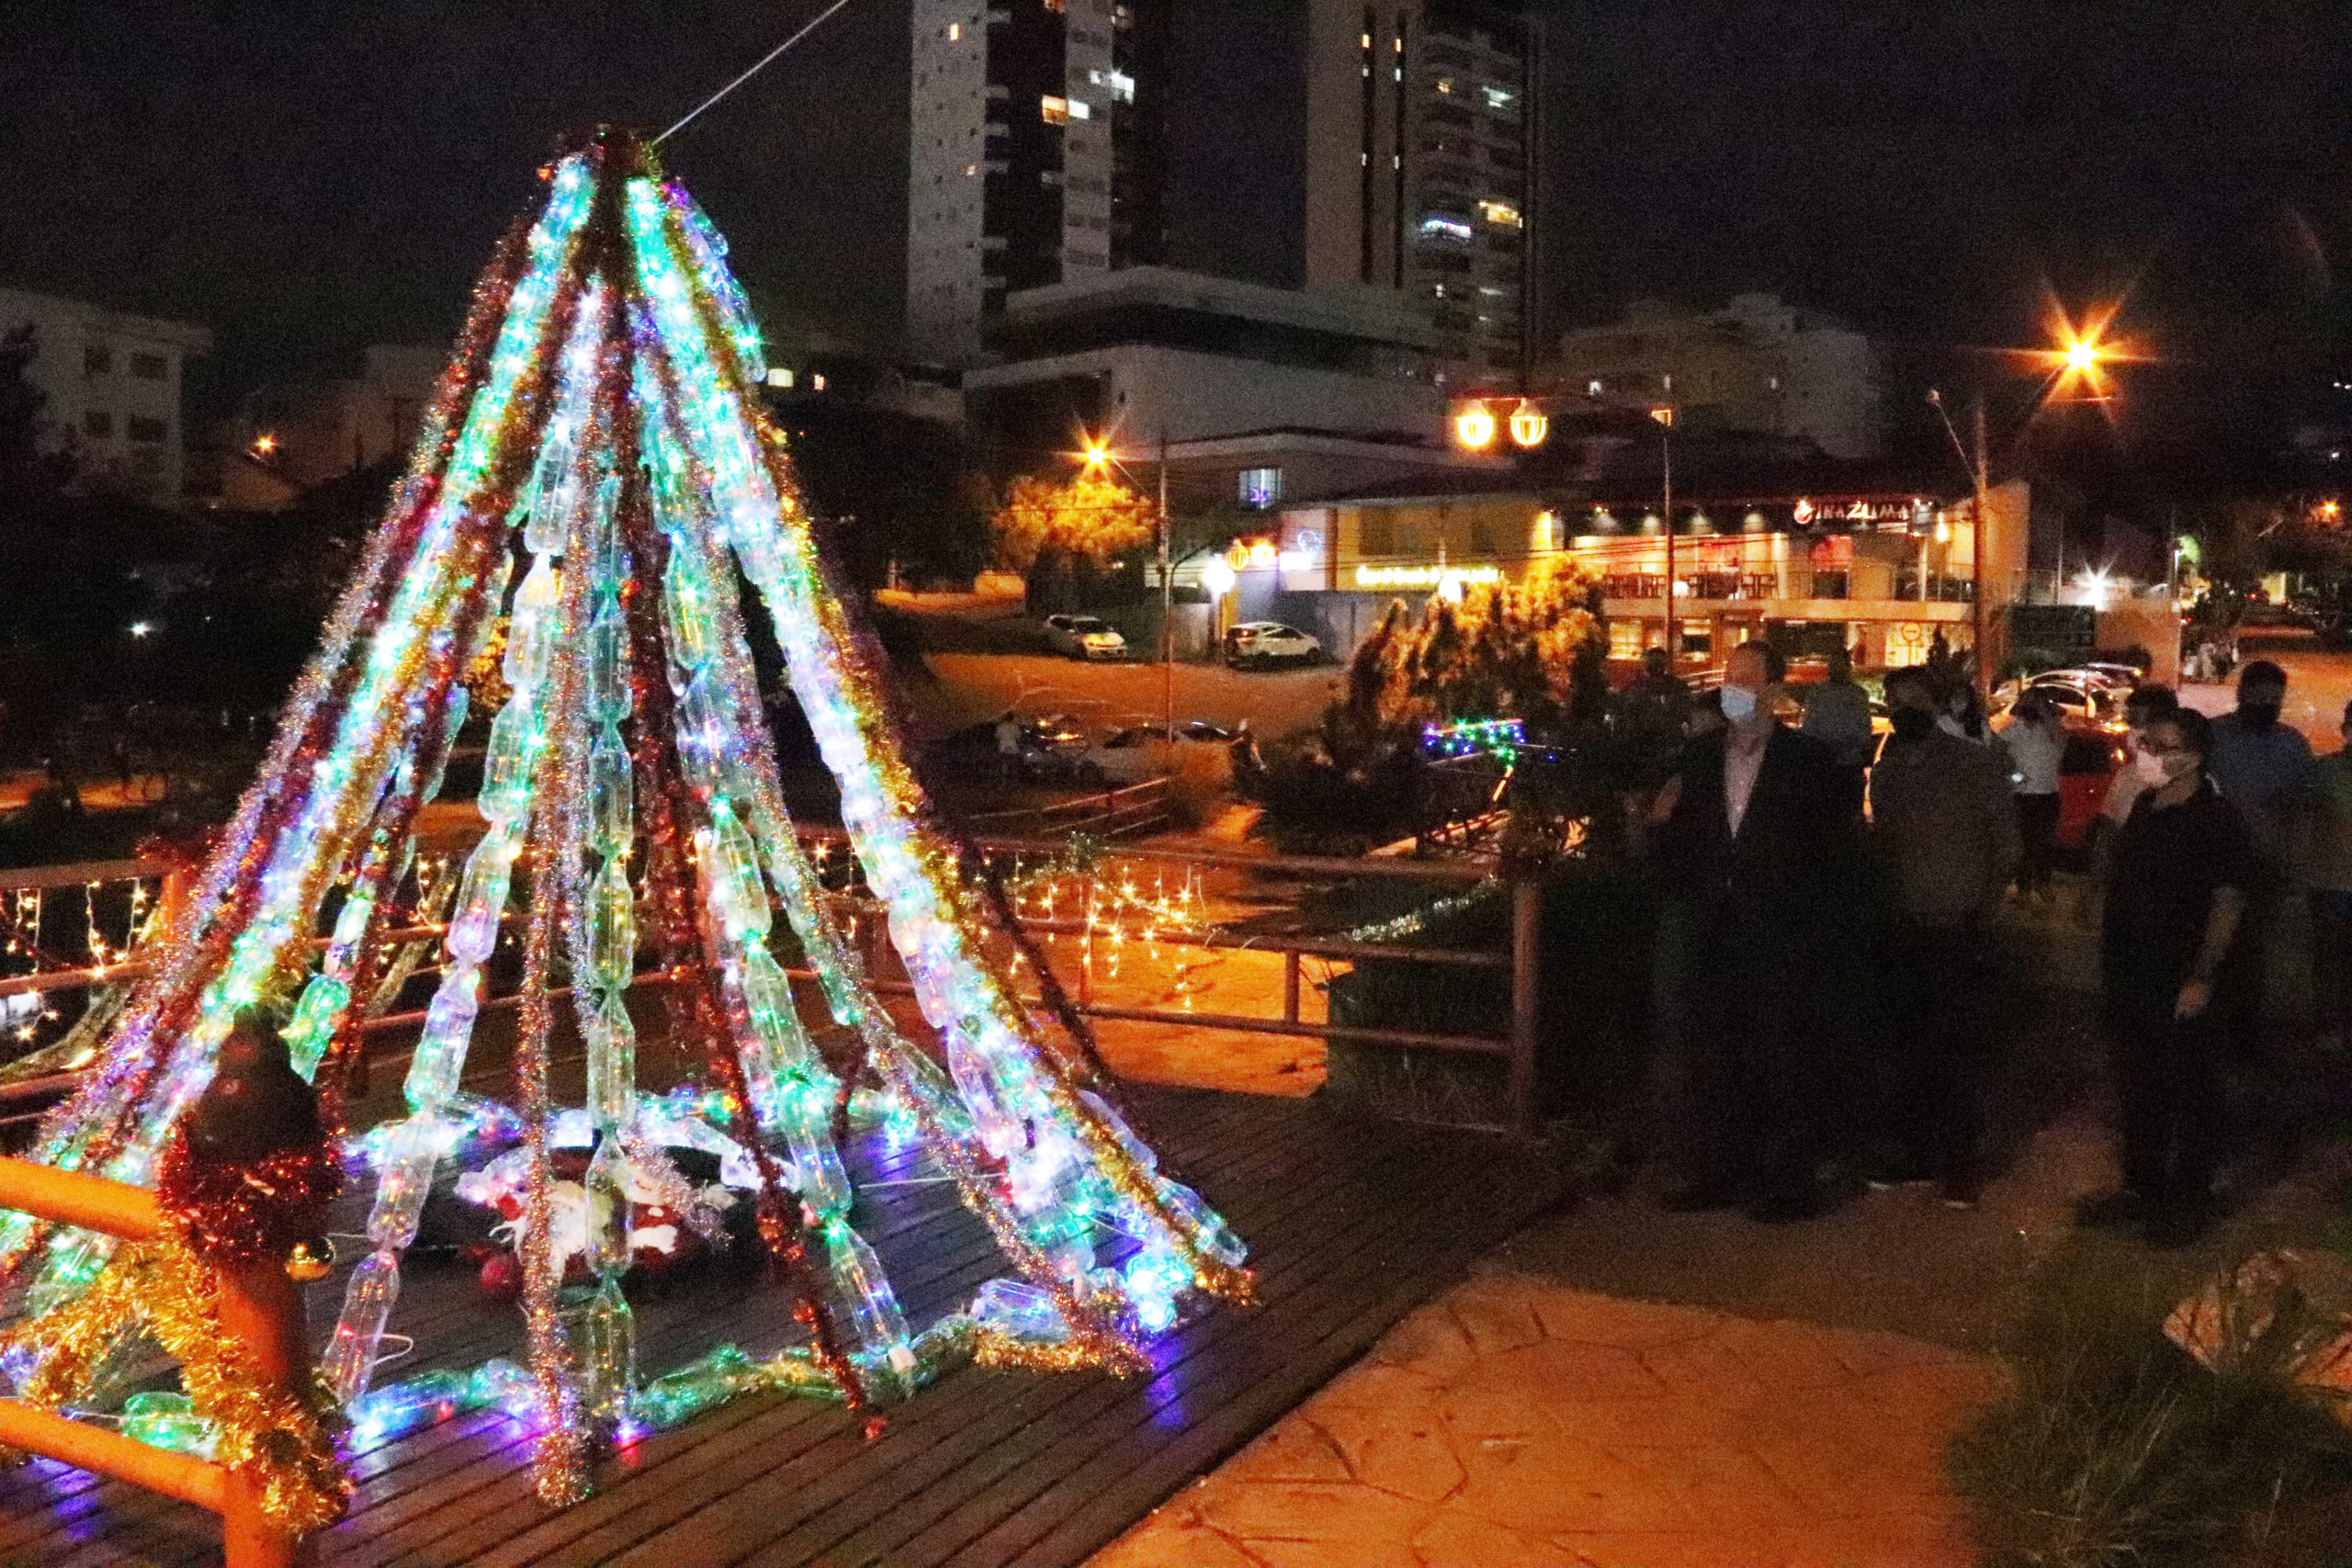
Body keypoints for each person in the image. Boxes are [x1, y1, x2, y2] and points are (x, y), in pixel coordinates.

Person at [1649, 642, 1849, 1220]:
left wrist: (1812, 926)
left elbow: (1828, 851)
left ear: (1774, 687)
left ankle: (1785, 1184)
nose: (1735, 687)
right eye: (1730, 676)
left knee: (1781, 1056)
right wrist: (1660, 828)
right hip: (1715, 929)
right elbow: (1679, 844)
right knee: (1718, 1054)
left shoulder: (1806, 760)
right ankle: (1720, 1172)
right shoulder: (1699, 756)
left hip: (1780, 932)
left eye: (1748, 677)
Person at [2088, 709, 2251, 1246]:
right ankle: (2144, 1188)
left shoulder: (2217, 818)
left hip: (2180, 975)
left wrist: (2202, 976)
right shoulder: (2144, 805)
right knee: (2140, 1087)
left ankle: (2188, 1201)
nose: (2148, 753)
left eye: (2161, 745)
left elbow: (2227, 903)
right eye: (2147, 741)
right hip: (2131, 972)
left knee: (2189, 1088)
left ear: (2192, 755)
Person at [1867, 665, 2019, 1204]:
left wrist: (1983, 907)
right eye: (1895, 699)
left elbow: (2004, 844)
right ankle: (1910, 1155)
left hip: (1955, 925)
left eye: (1913, 699)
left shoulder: (1974, 765)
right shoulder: (1885, 770)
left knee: (1953, 1050)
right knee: (1903, 1047)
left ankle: (1958, 1166)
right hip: (1900, 927)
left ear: (1934, 705)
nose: (1903, 708)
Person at [2206, 660, 2309, 1051]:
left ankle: (2240, 1032)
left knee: (2248, 949)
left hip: (2263, 862)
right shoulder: (2215, 736)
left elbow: (2300, 810)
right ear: (2242, 694)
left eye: (2274, 698)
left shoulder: (2292, 745)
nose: (2267, 704)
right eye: (2259, 695)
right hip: (2213, 862)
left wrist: (2291, 864)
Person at [2301, 698, 2352, 1054]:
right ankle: (2331, 1027)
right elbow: (2303, 823)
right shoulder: (2324, 773)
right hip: (2332, 882)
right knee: (2332, 959)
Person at [1800, 646, 1875, 818]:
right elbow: (1809, 727)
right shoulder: (1818, 694)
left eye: (1839, 664)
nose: (1836, 669)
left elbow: (1864, 728)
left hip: (1845, 764)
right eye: (1833, 664)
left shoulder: (1856, 695)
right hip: (1827, 764)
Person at [2004, 690, 2065, 898]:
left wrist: (2044, 710)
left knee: (2046, 843)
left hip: (2048, 795)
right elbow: (1998, 759)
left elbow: (2060, 739)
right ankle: (2023, 888)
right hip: (2022, 797)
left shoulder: (2051, 731)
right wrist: (2016, 777)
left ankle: (2043, 883)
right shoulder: (2012, 731)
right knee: (2023, 845)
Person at [2101, 683, 2182, 833]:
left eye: (2137, 722)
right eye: (2129, 720)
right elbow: (2109, 822)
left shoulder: (2186, 782)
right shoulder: (2126, 776)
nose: (2130, 731)